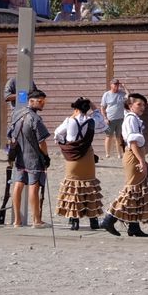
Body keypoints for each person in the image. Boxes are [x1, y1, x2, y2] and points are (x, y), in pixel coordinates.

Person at [104, 93, 148, 237]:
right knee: (132, 190)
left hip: (135, 155)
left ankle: (133, 226)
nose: (142, 107)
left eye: (143, 105)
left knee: (137, 191)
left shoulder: (135, 119)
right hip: (132, 156)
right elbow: (133, 142)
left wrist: (143, 160)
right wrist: (141, 161)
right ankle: (109, 219)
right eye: (139, 104)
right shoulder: (130, 119)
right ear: (130, 106)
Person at [53, 97, 104, 231]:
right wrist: (94, 107)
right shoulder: (91, 121)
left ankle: (74, 221)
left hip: (72, 157)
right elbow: (101, 119)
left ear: (75, 109)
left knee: (73, 187)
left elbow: (57, 133)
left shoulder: (69, 121)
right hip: (87, 155)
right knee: (89, 186)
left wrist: (65, 143)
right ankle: (93, 221)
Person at [8, 89, 51, 229]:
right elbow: (41, 142)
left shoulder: (16, 114)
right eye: (40, 101)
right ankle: (36, 220)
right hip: (34, 157)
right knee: (34, 187)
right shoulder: (35, 118)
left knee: (18, 185)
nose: (43, 104)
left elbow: (10, 136)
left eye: (44, 101)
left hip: (20, 156)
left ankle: (17, 221)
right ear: (31, 101)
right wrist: (46, 156)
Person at [100, 79, 127, 157]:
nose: (116, 86)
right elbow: (102, 107)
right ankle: (107, 154)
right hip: (110, 119)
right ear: (111, 85)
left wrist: (125, 87)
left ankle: (120, 154)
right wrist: (105, 118)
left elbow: (129, 96)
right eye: (115, 84)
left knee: (119, 137)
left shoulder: (122, 93)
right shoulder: (106, 94)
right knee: (109, 136)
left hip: (120, 119)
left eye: (117, 84)